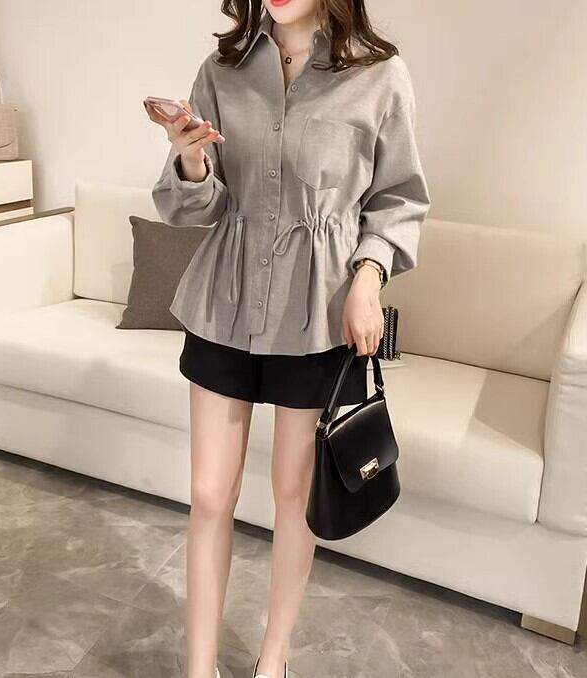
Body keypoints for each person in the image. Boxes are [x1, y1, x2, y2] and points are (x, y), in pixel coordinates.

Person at [144, 1, 430, 676]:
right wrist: (190, 160)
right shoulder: (222, 69)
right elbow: (200, 206)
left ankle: (273, 659)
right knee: (209, 494)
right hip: (225, 298)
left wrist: (368, 279)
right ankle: (200, 667)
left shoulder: (380, 75)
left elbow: (398, 200)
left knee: (293, 497)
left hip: (317, 308)